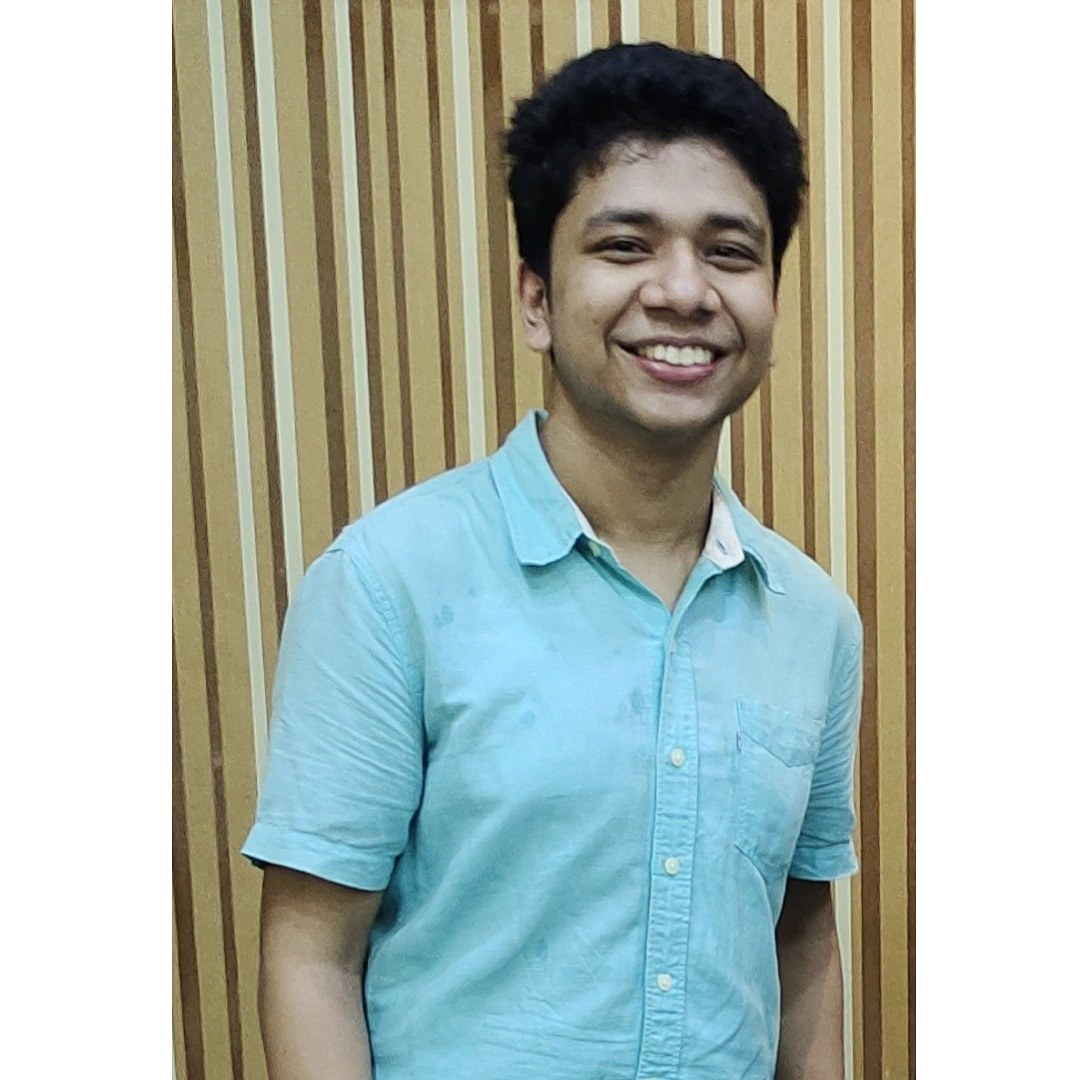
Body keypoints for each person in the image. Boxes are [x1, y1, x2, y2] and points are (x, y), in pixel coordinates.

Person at [244, 42, 863, 1080]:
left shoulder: (814, 618)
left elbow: (801, 939)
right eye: (625, 246)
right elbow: (311, 958)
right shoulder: (388, 582)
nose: (683, 290)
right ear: (536, 298)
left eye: (730, 252)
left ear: (771, 300)